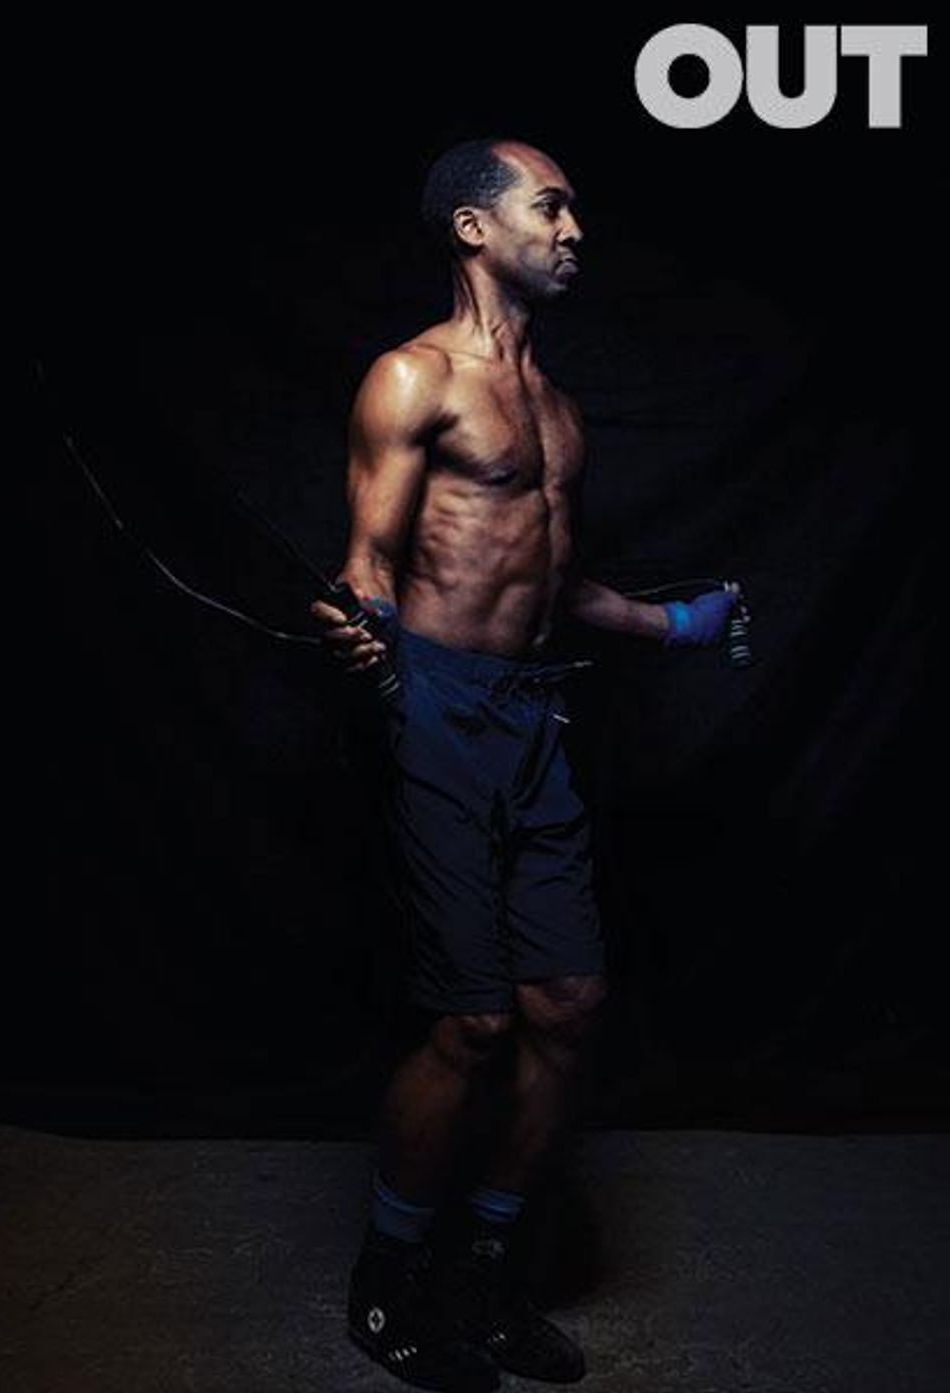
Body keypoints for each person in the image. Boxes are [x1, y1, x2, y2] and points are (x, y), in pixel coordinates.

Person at [310, 136, 743, 1391]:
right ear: (472, 229)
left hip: (532, 711)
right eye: (547, 209)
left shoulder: (553, 406)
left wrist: (672, 622)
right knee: (475, 1019)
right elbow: (367, 563)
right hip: (436, 708)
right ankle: (390, 1276)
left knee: (567, 1006)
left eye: (572, 213)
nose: (570, 232)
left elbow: (545, 582)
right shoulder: (412, 379)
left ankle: (485, 1274)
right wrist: (359, 625)